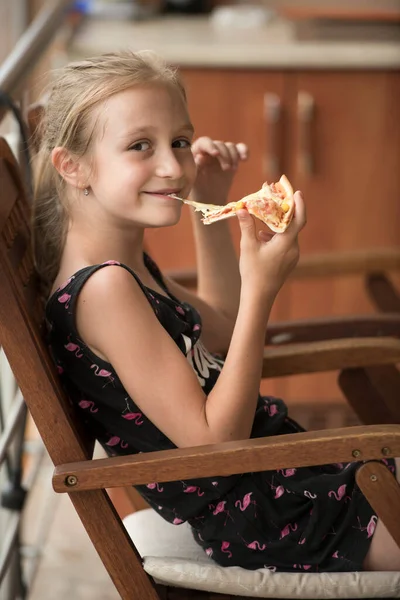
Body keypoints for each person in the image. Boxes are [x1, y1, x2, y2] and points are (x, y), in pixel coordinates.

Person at [32, 50, 399, 574]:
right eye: (141, 145)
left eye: (179, 141)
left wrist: (210, 206)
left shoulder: (123, 265)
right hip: (276, 516)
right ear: (73, 166)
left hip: (286, 475)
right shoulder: (105, 290)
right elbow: (214, 442)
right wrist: (262, 291)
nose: (173, 166)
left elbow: (222, 327)